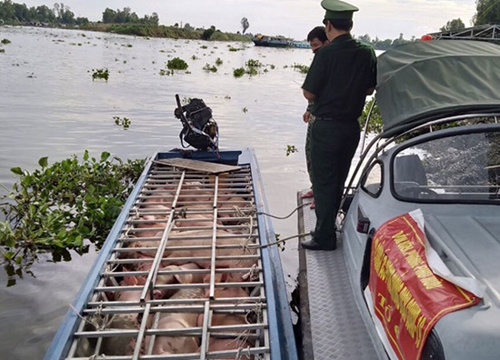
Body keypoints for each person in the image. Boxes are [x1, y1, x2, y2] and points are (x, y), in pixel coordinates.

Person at [300, 0, 377, 251]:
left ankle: (324, 237)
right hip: (350, 128)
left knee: (323, 182)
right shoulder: (367, 52)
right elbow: (368, 89)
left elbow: (309, 93)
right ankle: (327, 227)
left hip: (326, 128)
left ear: (329, 24)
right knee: (339, 179)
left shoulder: (326, 53)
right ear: (351, 24)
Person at [301, 26, 329, 208]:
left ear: (327, 42)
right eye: (311, 46)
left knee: (322, 159)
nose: (314, 50)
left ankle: (321, 195)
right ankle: (315, 187)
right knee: (310, 153)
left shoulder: (331, 61)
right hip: (315, 116)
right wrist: (309, 108)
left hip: (327, 119)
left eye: (316, 45)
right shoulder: (319, 59)